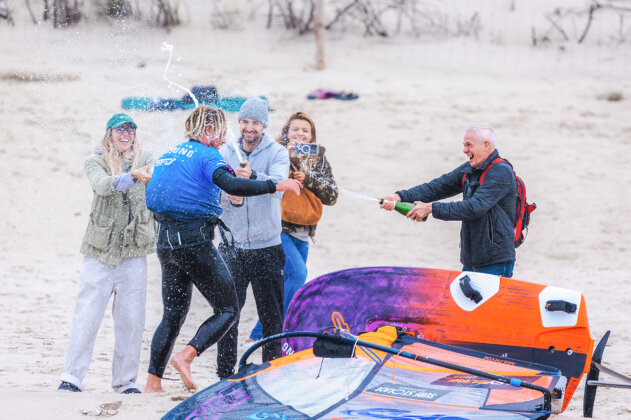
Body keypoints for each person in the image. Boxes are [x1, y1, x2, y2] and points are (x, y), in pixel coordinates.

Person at [143, 106, 300, 392]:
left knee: (172, 314)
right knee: (228, 309)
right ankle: (186, 356)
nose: (224, 138)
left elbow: (167, 191)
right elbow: (231, 183)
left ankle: (152, 384)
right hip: (194, 242)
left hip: (165, 243)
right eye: (221, 132)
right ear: (207, 131)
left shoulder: (169, 154)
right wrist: (274, 185)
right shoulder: (208, 154)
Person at [59, 113, 155, 394]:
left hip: (134, 253)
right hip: (99, 253)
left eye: (130, 130)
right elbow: (102, 186)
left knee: (131, 321)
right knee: (87, 316)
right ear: (109, 134)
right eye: (119, 130)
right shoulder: (95, 160)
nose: (125, 134)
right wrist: (133, 176)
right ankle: (71, 377)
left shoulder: (147, 158)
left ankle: (126, 382)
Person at [379, 123, 517, 277]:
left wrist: (431, 208)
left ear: (486, 145)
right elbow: (438, 187)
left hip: (496, 262)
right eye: (464, 145)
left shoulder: (501, 171)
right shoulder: (470, 169)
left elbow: (474, 207)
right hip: (471, 261)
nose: (465, 150)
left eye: (469, 145)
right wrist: (398, 197)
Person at [247, 112, 338, 344]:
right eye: (295, 129)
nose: (300, 134)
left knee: (287, 286)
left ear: (312, 136)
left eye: (305, 130)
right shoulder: (275, 152)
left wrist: (308, 179)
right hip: (278, 228)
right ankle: (274, 333)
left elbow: (332, 196)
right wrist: (287, 159)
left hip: (304, 233)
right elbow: (260, 181)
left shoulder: (318, 159)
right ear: (286, 133)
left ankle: (257, 336)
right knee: (298, 275)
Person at [216, 97, 290, 379]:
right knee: (228, 313)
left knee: (271, 315)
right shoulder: (225, 151)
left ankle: (272, 372)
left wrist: (253, 176)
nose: (249, 128)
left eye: (255, 123)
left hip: (267, 246)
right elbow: (211, 189)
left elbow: (279, 186)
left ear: (264, 125)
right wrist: (227, 194)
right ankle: (225, 373)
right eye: (245, 121)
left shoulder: (278, 152)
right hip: (231, 247)